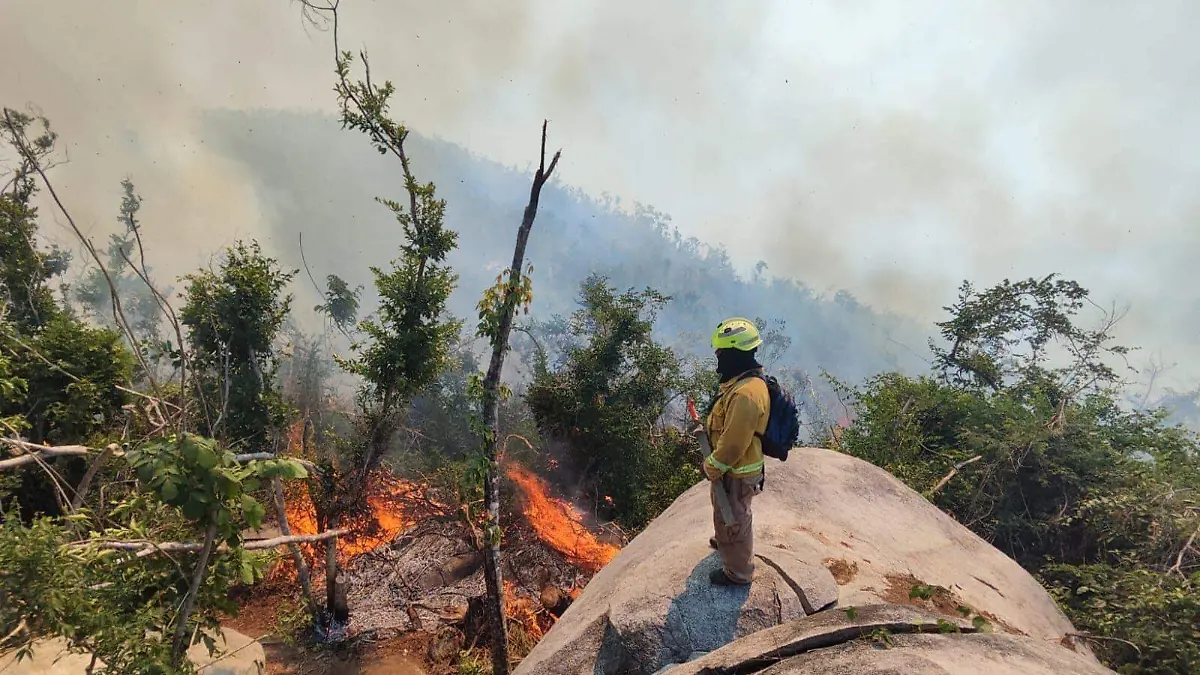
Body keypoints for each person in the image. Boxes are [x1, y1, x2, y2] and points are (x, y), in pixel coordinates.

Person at [703, 317, 769, 586]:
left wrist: (713, 465)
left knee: (735, 517)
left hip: (737, 471)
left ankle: (739, 572)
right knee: (724, 511)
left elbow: (733, 443)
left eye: (721, 353)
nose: (718, 359)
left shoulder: (745, 394)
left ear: (734, 353)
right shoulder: (741, 383)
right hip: (734, 469)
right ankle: (725, 540)